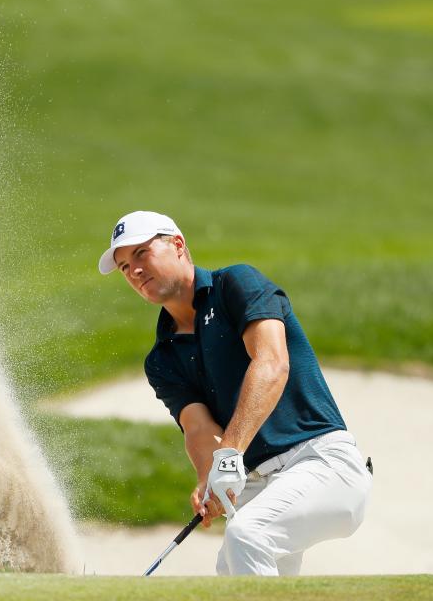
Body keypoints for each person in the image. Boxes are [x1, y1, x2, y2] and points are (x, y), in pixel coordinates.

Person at [98, 210, 372, 576]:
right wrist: (207, 476)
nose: (133, 270)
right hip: (264, 483)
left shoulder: (236, 285)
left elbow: (272, 364)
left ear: (178, 245)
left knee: (247, 535)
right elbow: (197, 427)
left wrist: (229, 456)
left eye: (142, 253)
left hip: (322, 463)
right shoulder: (162, 359)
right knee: (230, 567)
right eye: (123, 266)